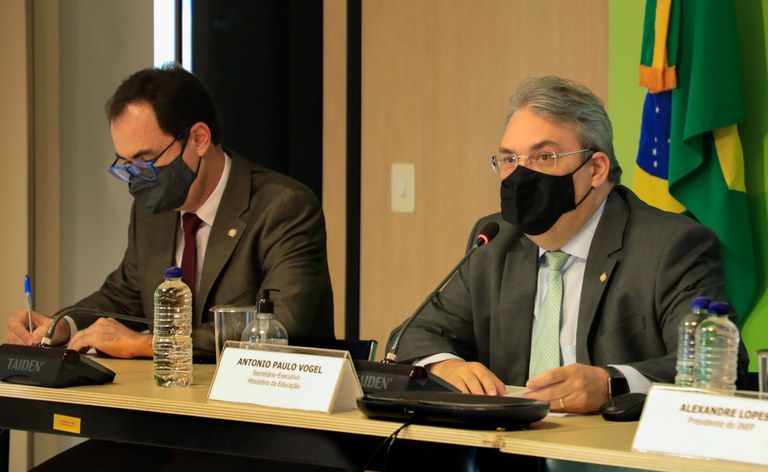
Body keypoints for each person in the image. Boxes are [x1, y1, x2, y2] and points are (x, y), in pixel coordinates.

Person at [389, 76, 749, 414]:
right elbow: (411, 335)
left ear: (595, 170)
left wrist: (613, 383)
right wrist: (446, 366)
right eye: (510, 159)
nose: (521, 174)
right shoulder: (495, 241)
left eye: (544, 157)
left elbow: (715, 367)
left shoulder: (671, 246)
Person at [6, 63, 335, 360]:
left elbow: (283, 323)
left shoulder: (283, 206)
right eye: (128, 163)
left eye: (147, 160)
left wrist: (149, 343)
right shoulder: (152, 213)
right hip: (168, 403)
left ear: (199, 139)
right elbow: (122, 297)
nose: (137, 177)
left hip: (262, 407)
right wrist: (62, 326)